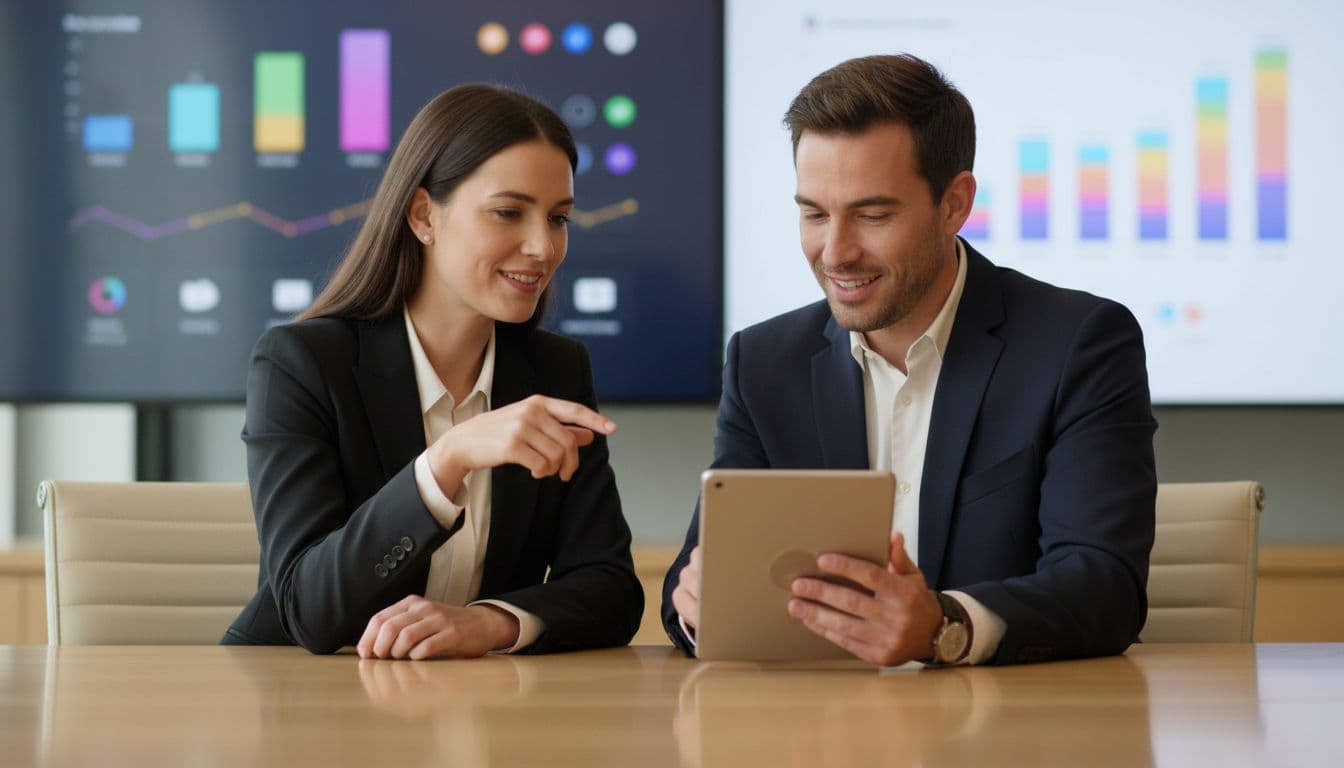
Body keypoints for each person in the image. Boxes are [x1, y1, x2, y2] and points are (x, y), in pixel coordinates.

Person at [662, 54, 1157, 666]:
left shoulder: (1078, 343)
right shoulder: (763, 362)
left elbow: (1104, 587)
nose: (835, 252)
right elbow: (691, 583)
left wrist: (944, 627)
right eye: (814, 213)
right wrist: (696, 604)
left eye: (872, 215)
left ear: (954, 203)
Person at [223, 84, 643, 658]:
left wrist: (490, 622)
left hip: (472, 710)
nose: (543, 247)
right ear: (425, 215)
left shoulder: (556, 370)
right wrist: (446, 461)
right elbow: (309, 609)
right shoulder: (301, 364)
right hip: (306, 705)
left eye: (560, 218)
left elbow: (611, 589)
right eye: (508, 213)